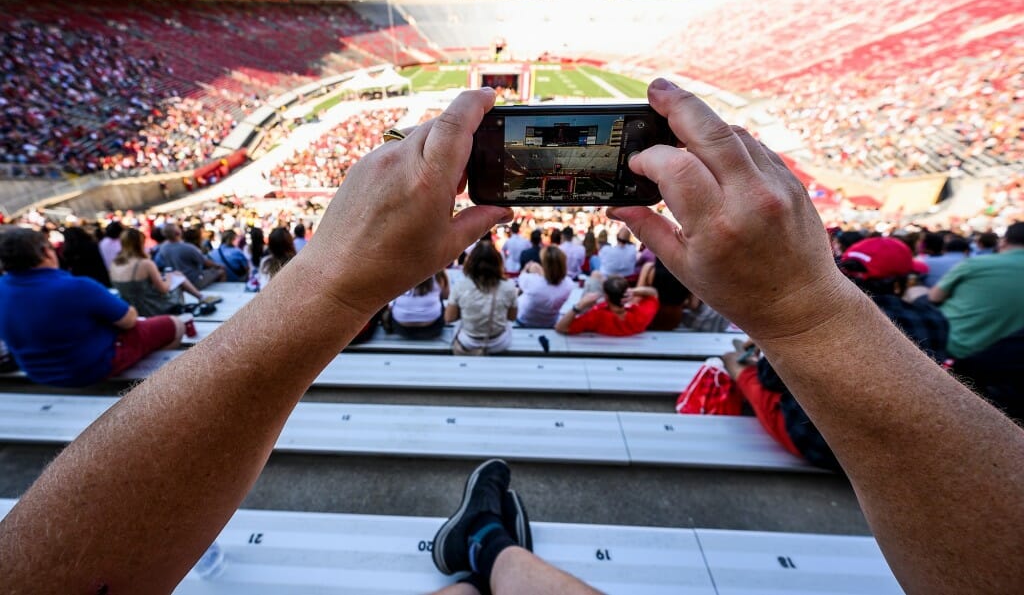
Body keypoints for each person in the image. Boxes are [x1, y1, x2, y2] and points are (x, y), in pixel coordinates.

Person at [1, 85, 1022, 595]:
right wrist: (805, 311)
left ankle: (485, 550)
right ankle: (490, 552)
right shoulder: (584, 293)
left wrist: (318, 285)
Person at [723, 237, 949, 471]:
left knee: (736, 363)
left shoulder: (813, 317)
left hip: (821, 445)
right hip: (905, 450)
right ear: (900, 284)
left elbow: (769, 379)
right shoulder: (933, 320)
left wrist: (768, 345)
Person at [0, 228, 184, 387]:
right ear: (46, 252)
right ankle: (159, 385)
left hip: (37, 374)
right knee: (176, 324)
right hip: (89, 370)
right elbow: (129, 321)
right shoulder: (77, 286)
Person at [928, 222, 1024, 360]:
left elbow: (934, 297)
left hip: (954, 344)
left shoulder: (975, 263)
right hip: (1007, 358)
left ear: (1004, 242)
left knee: (916, 292)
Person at [109, 229, 216, 315]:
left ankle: (201, 297)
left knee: (176, 275)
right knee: (177, 277)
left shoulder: (114, 263)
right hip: (153, 307)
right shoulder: (145, 263)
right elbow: (164, 289)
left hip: (133, 307)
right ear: (140, 243)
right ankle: (200, 299)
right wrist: (168, 277)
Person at [447, 237, 518, 355]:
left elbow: (449, 318)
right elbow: (511, 317)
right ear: (498, 262)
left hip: (469, 342)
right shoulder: (508, 286)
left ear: (470, 262)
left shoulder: (461, 285)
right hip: (498, 342)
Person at [554, 274, 658, 336]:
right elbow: (653, 293)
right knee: (596, 276)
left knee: (594, 277)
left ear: (606, 297)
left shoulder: (597, 316)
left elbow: (560, 327)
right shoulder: (640, 315)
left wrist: (580, 305)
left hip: (601, 318)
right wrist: (633, 291)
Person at [516, 246, 575, 328]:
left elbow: (521, 279)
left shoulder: (531, 281)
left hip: (525, 321)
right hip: (550, 322)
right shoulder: (569, 284)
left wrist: (527, 268)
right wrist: (540, 272)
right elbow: (550, 282)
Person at [160, 223, 226, 289]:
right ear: (178, 232)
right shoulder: (188, 247)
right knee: (221, 271)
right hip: (194, 281)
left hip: (176, 280)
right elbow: (205, 262)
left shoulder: (163, 247)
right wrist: (218, 266)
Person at [387, 270, 450, 340]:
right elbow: (446, 295)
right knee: (438, 297)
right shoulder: (439, 271)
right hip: (433, 328)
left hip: (400, 328)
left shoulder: (396, 271)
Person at [636, 258, 689, 331]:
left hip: (651, 316)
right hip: (674, 319)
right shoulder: (688, 273)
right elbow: (693, 304)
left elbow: (637, 297)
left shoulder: (649, 268)